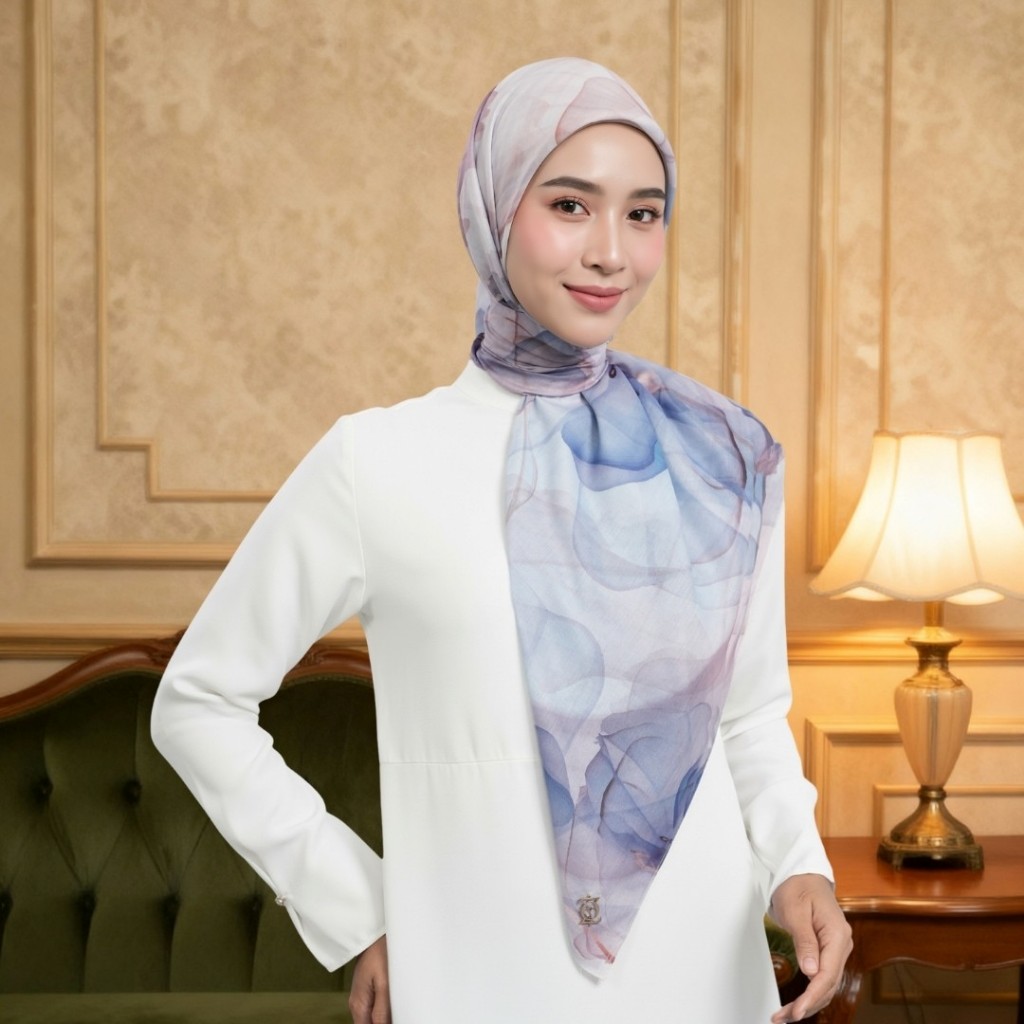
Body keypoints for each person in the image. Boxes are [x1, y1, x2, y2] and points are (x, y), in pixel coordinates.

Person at [151, 56, 852, 1024]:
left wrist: (798, 867)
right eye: (569, 205)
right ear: (491, 208)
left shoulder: (720, 454)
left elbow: (747, 716)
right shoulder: (376, 461)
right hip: (479, 968)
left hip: (702, 965)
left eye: (643, 214)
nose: (611, 252)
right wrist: (355, 906)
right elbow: (198, 702)